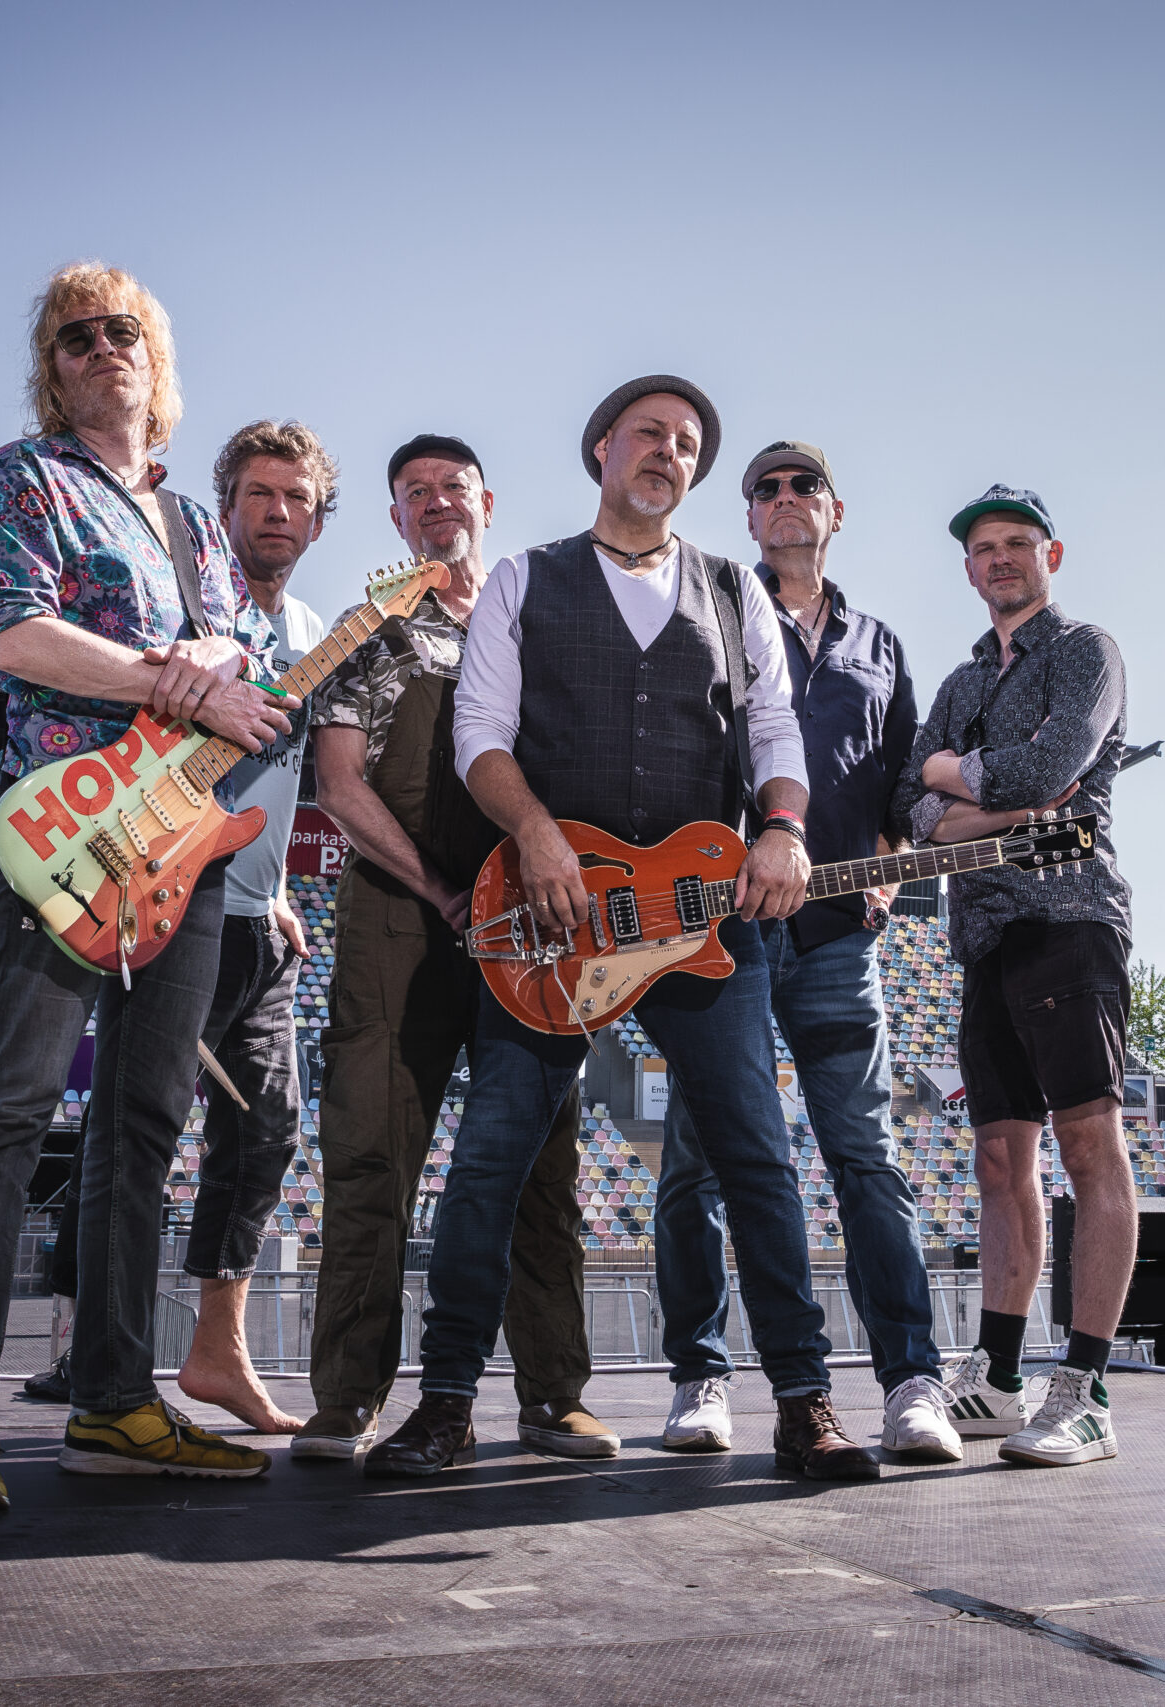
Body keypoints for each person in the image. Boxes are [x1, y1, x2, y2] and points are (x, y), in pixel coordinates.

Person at [366, 376, 874, 1481]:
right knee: (490, 1161)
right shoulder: (523, 578)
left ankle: (804, 1402)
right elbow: (479, 734)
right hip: (555, 918)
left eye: (687, 443)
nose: (668, 452)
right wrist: (537, 836)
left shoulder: (733, 590)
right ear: (602, 448)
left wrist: (784, 830)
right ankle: (445, 1402)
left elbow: (776, 730)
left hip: (703, 920)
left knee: (757, 1159)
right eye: (649, 433)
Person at [0, 262, 294, 1510]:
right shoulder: (25, 478)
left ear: (155, 363)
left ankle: (115, 1401)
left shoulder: (194, 525)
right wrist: (167, 678)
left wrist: (223, 658)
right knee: (11, 1107)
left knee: (144, 1126)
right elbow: (9, 632)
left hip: (182, 847)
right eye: (74, 337)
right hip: (66, 834)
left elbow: (251, 658)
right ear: (50, 371)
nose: (99, 347)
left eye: (122, 331)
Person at [295, 434, 601, 1463]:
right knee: (371, 1153)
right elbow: (339, 785)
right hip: (398, 915)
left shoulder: (533, 628)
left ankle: (554, 1396)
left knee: (542, 1163)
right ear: (395, 518)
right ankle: (347, 1398)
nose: (435, 504)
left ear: (487, 502)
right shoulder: (369, 630)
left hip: (529, 922)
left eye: (452, 488)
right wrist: (438, 890)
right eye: (414, 493)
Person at [25, 421, 336, 1429]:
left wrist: (277, 884)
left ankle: (217, 1352)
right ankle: (87, 1351)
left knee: (267, 1132)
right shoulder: (187, 600)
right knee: (135, 1126)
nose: (277, 512)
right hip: (164, 901)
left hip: (259, 920)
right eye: (258, 494)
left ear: (319, 521)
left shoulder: (316, 631)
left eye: (296, 497)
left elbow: (286, 777)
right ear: (223, 508)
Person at [654, 441, 952, 1461]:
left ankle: (911, 1382)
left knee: (866, 1157)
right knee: (698, 1160)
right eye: (766, 489)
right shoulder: (711, 613)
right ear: (748, 517)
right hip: (725, 928)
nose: (785, 499)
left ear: (835, 511)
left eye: (804, 486)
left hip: (834, 936)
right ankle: (699, 1374)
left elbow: (904, 781)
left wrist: (891, 866)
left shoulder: (880, 643)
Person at [892, 485, 1135, 1469]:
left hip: (1069, 917)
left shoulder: (1085, 651)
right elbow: (912, 809)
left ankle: (1085, 1391)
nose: (999, 558)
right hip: (982, 933)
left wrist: (960, 781)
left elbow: (1052, 772)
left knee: (1089, 1149)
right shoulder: (958, 684)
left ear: (1050, 555)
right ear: (967, 568)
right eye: (984, 547)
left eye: (1017, 543)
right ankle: (997, 1377)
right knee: (999, 1162)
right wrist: (987, 799)